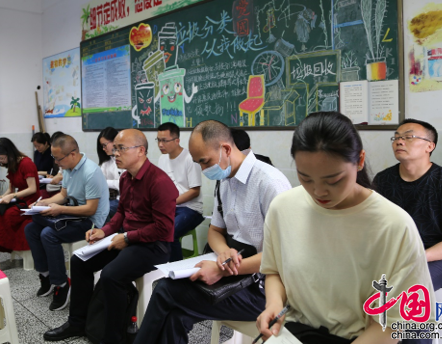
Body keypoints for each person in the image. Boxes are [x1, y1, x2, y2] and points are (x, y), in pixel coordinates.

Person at [256, 112, 434, 344]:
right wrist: (274, 304)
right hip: (296, 331)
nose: (318, 191)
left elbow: (395, 324)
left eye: (333, 180)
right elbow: (274, 271)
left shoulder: (394, 225)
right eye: (305, 178)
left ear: (359, 160)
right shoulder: (283, 207)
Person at [135, 120, 291, 344]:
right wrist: (224, 251)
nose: (203, 170)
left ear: (226, 149)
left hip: (264, 289)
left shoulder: (269, 183)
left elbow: (280, 257)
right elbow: (215, 231)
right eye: (198, 163)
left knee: (165, 290)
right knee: (175, 314)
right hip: (236, 271)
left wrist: (223, 271)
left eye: (205, 162)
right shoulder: (225, 180)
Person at [44, 129, 177, 343]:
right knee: (79, 261)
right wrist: (104, 231)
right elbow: (121, 213)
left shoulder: (159, 182)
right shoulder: (126, 178)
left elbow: (163, 229)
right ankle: (78, 322)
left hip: (153, 246)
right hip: (127, 239)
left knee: (110, 276)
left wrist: (127, 238)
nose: (115, 153)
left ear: (141, 151)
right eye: (115, 149)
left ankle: (113, 337)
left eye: (121, 148)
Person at [374, 120, 442, 324]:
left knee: (412, 290)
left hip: (437, 255)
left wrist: (419, 257)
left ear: (430, 146)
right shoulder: (383, 180)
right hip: (395, 254)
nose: (399, 141)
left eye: (408, 137)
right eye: (396, 137)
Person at [25, 134, 109, 310]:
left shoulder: (91, 172)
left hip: (90, 222)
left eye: (58, 159)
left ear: (72, 154)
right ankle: (45, 274)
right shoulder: (68, 168)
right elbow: (63, 195)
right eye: (54, 158)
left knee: (48, 234)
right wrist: (44, 203)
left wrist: (59, 209)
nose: (56, 163)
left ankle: (61, 284)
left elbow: (90, 209)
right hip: (72, 216)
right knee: (31, 228)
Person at [0, 137, 40, 266]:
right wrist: (2, 197)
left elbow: (32, 188)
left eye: (1, 158)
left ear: (9, 153)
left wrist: (12, 196)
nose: (0, 161)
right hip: (19, 201)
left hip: (29, 204)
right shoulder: (13, 164)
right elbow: (10, 189)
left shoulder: (26, 164)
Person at [156, 122, 203, 262]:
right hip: (171, 207)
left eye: (164, 140)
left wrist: (170, 203)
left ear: (177, 141)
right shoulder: (162, 159)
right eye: (158, 140)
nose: (160, 145)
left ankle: (175, 270)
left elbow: (194, 191)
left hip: (191, 209)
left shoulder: (190, 158)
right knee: (145, 225)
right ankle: (158, 265)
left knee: (171, 233)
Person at [97, 127, 124, 220]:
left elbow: (122, 184)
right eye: (102, 146)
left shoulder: (124, 159)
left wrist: (105, 182)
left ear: (114, 141)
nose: (103, 149)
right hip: (108, 198)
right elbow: (99, 181)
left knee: (101, 210)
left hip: (120, 199)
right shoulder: (106, 162)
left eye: (105, 145)